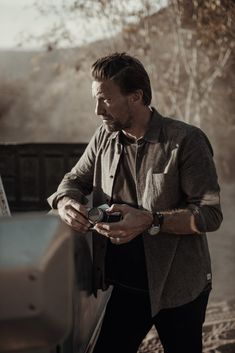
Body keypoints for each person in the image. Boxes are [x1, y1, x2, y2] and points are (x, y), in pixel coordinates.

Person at [48, 52, 223, 353]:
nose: (96, 110)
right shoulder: (104, 136)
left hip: (178, 286)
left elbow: (209, 214)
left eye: (105, 99)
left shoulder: (187, 141)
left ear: (136, 97)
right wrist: (65, 202)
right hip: (123, 285)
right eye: (96, 99)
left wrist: (151, 220)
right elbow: (72, 180)